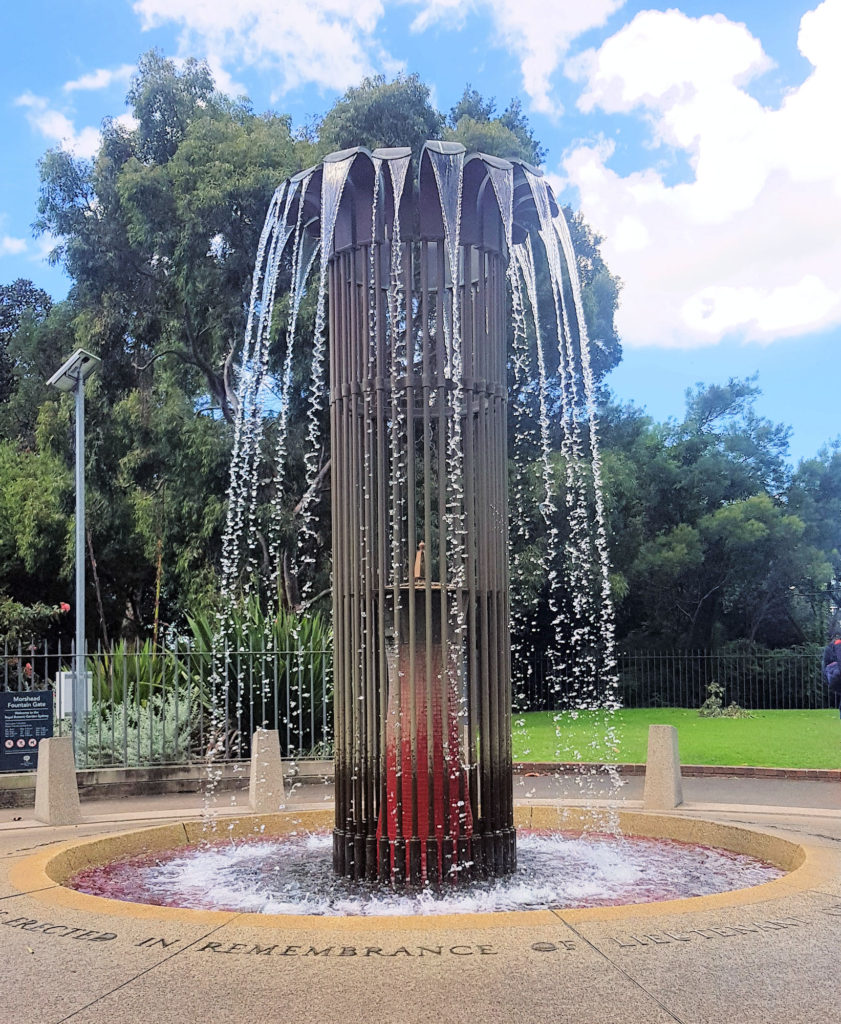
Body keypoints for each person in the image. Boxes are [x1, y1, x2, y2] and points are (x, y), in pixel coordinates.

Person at [821, 632, 841, 717]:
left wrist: (827, 681)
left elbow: (824, 666)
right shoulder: (837, 646)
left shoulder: (829, 648)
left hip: (833, 678)